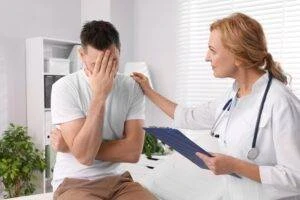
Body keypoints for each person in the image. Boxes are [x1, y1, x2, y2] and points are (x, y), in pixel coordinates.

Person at [131, 13, 300, 199]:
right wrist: (148, 90)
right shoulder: (232, 97)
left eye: (213, 50)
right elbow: (188, 116)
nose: (206, 57)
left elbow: (295, 177)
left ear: (239, 56)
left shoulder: (280, 102)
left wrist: (235, 166)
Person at [50, 20, 157, 200]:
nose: (105, 72)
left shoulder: (132, 87)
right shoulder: (64, 88)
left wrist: (71, 147)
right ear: (81, 55)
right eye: (96, 64)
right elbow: (84, 157)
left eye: (112, 62)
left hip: (117, 182)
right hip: (74, 183)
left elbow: (132, 152)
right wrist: (100, 95)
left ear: (119, 52)